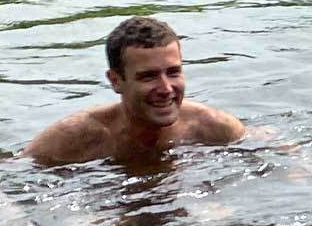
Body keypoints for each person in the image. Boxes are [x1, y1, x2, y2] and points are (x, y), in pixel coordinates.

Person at [23, 15, 246, 167]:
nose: (166, 89)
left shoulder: (210, 126)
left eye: (173, 72)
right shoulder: (77, 136)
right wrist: (12, 218)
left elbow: (270, 147)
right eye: (148, 76)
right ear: (115, 81)